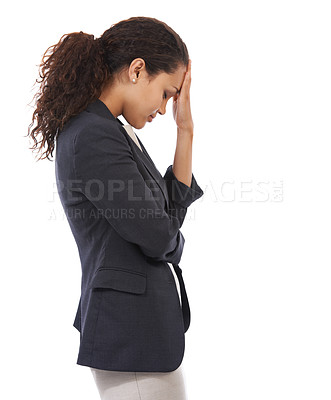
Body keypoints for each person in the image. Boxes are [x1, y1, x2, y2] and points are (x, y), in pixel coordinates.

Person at [28, 16, 204, 400]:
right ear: (138, 69)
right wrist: (174, 242)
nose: (165, 107)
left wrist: (185, 131)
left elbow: (167, 216)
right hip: (130, 334)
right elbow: (159, 235)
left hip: (140, 333)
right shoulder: (93, 134)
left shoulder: (112, 129)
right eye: (167, 93)